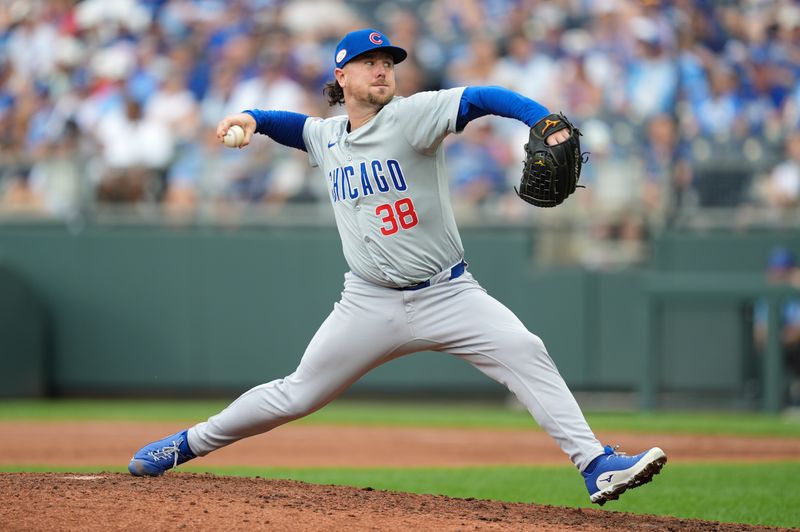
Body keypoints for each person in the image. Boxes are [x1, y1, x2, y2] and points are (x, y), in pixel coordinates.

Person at [127, 29, 666, 505]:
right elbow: (295, 126)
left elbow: (480, 97)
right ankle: (188, 443)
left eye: (388, 61)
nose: (383, 68)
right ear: (342, 76)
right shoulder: (329, 137)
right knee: (298, 393)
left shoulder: (411, 116)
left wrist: (541, 118)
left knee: (525, 350)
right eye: (370, 61)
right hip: (368, 302)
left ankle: (596, 466)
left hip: (450, 294)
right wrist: (253, 117)